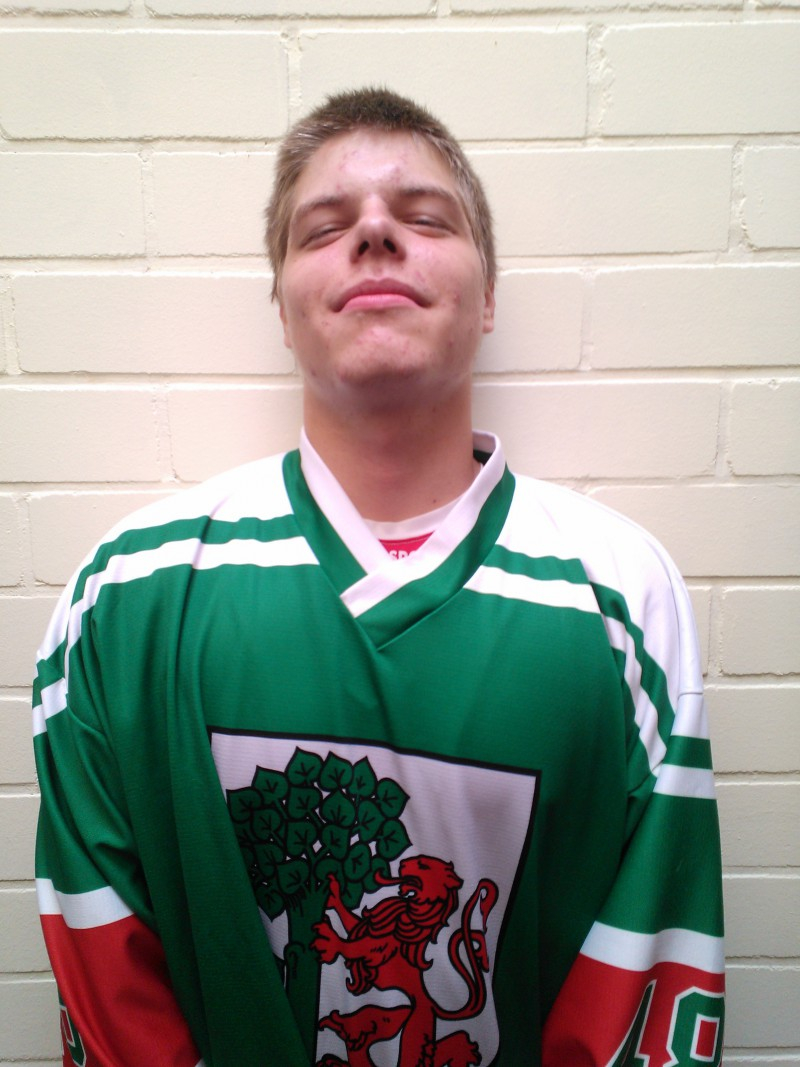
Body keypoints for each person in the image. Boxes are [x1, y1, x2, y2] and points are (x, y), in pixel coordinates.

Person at [33, 88, 724, 1067]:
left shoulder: (620, 597)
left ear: (489, 298)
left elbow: (645, 965)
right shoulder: (128, 596)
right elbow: (110, 978)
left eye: (425, 217)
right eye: (323, 228)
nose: (373, 232)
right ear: (282, 307)